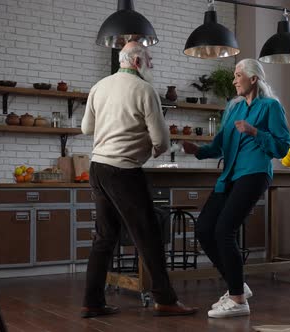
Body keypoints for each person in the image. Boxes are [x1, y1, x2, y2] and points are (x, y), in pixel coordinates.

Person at [80, 41, 197, 318]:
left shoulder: (99, 86)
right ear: (136, 62)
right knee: (149, 234)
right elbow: (162, 140)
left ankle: (92, 302)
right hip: (124, 171)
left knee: (104, 237)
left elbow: (86, 128)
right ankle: (165, 299)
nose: (152, 64)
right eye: (150, 59)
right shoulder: (145, 90)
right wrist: (153, 149)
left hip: (97, 167)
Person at [183, 58, 290, 318]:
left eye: (238, 75)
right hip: (229, 176)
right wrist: (198, 151)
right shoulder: (232, 109)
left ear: (253, 79)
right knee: (205, 228)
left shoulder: (271, 107)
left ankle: (237, 299)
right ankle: (237, 284)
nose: (234, 80)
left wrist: (255, 132)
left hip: (254, 173)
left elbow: (283, 146)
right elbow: (220, 144)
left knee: (224, 230)